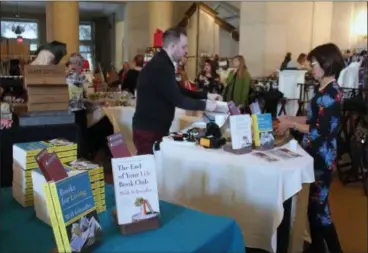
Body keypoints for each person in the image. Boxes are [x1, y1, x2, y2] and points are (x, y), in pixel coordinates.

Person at [276, 43, 344, 253]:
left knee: (320, 212)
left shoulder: (331, 93)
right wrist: (290, 118)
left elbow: (319, 130)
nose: (310, 67)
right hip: (314, 155)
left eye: (313, 63)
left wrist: (291, 125)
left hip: (321, 158)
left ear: (326, 64)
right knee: (314, 210)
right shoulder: (325, 90)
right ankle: (317, 248)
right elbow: (314, 118)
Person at [132, 27, 219, 155]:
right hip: (148, 131)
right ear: (173, 46)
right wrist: (205, 105)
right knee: (150, 171)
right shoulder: (161, 66)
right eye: (183, 47)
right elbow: (178, 99)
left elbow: (178, 90)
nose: (186, 51)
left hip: (153, 128)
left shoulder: (163, 62)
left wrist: (205, 95)